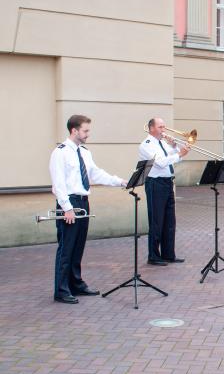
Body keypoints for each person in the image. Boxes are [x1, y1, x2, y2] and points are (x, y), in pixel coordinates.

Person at [50, 115, 127, 304]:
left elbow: (95, 173)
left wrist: (119, 182)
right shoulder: (60, 152)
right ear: (74, 131)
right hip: (69, 203)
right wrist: (67, 208)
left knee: (78, 246)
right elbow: (58, 183)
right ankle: (61, 290)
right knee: (66, 248)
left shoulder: (84, 152)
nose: (88, 134)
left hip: (83, 201)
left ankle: (76, 284)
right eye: (85, 130)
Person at [139, 118, 189, 265]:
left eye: (164, 127)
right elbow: (161, 163)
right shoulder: (146, 145)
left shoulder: (161, 143)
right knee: (157, 221)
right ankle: (153, 256)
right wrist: (179, 154)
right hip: (155, 183)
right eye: (160, 127)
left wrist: (174, 148)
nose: (164, 130)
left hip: (167, 183)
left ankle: (168, 254)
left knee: (169, 221)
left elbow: (172, 159)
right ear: (151, 128)